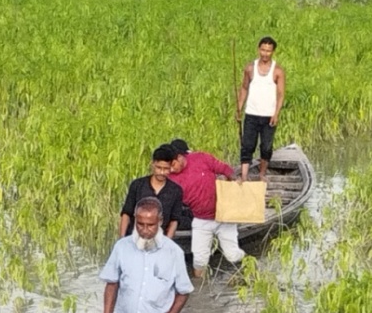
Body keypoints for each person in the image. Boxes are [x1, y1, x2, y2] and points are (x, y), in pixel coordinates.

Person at [169, 139, 245, 278]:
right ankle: (199, 288)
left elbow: (224, 168)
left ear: (180, 158)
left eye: (172, 164)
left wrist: (235, 179)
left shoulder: (201, 158)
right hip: (201, 219)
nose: (171, 169)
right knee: (199, 260)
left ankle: (248, 265)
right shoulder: (171, 178)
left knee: (233, 255)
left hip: (224, 216)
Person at [237, 36, 285, 182]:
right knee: (248, 145)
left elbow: (281, 95)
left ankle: (262, 174)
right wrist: (239, 108)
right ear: (259, 49)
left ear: (273, 52)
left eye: (268, 51)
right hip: (251, 113)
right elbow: (244, 88)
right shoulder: (250, 68)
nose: (265, 54)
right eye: (263, 50)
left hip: (268, 115)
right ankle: (244, 175)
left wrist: (276, 114)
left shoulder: (277, 71)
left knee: (266, 147)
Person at [119, 145, 183, 238]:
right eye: (158, 168)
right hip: (135, 238)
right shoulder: (137, 185)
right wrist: (122, 238)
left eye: (166, 169)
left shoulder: (175, 191)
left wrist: (167, 243)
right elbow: (126, 213)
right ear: (152, 164)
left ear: (171, 166)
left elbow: (174, 220)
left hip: (160, 240)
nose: (161, 172)